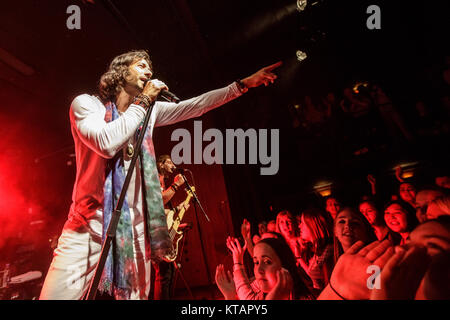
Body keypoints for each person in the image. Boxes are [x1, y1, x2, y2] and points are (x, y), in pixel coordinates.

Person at [39, 49, 282, 300]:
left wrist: (241, 85)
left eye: (149, 67)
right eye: (141, 66)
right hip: (87, 227)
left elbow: (195, 106)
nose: (149, 71)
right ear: (121, 73)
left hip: (134, 231)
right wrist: (143, 101)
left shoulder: (148, 113)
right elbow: (106, 142)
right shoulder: (86, 105)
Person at [219, 236, 314, 300]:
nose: (259, 269)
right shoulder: (261, 294)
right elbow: (247, 296)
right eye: (256, 262)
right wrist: (229, 296)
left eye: (267, 262)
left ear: (285, 266)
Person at [152, 154, 189, 300]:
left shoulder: (163, 181)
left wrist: (178, 208)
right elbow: (160, 200)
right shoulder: (154, 177)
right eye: (169, 163)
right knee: (163, 275)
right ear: (161, 164)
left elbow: (163, 209)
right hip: (156, 232)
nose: (173, 166)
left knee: (168, 274)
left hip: (161, 230)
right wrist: (176, 185)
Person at [297, 208, 334, 291]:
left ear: (312, 225)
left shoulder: (329, 251)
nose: (299, 226)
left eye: (302, 223)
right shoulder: (317, 249)